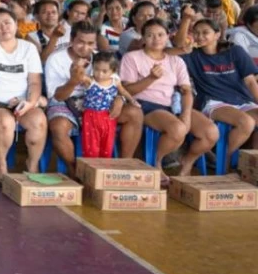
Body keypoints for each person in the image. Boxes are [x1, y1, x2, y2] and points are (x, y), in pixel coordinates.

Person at [45, 21, 144, 170]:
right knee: (58, 127)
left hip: (100, 104)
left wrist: (119, 99)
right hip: (66, 102)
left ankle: (123, 166)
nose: (85, 47)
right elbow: (57, 96)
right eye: (80, 42)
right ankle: (76, 172)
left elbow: (116, 84)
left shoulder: (102, 58)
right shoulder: (56, 59)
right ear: (71, 40)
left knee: (135, 113)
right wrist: (73, 81)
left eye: (90, 43)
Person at [119, 19, 210, 181]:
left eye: (161, 34)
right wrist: (150, 78)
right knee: (178, 129)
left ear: (167, 36)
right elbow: (127, 91)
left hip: (170, 105)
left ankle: (186, 162)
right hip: (143, 106)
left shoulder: (176, 60)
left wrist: (186, 115)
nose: (156, 39)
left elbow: (186, 91)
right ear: (143, 37)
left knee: (210, 133)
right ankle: (156, 162)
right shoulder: (132, 57)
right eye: (150, 35)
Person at [0, 8, 45, 182]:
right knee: (5, 122)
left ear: (16, 25)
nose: (3, 28)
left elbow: (35, 82)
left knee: (39, 121)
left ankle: (32, 164)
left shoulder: (28, 48)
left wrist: (30, 102)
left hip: (20, 101)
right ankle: (2, 166)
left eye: (7, 23)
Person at [182, 18, 257, 161]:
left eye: (205, 32)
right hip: (213, 102)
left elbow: (251, 82)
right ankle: (223, 161)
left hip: (242, 101)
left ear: (217, 34)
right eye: (196, 33)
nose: (200, 36)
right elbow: (172, 50)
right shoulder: (192, 56)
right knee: (246, 123)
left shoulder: (235, 51)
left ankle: (252, 164)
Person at [81, 53, 126, 158]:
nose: (100, 74)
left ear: (113, 71)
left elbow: (123, 91)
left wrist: (129, 100)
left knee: (107, 146)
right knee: (91, 146)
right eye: (96, 69)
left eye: (105, 71)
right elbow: (78, 76)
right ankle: (91, 170)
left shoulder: (115, 81)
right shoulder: (90, 81)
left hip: (108, 116)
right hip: (91, 115)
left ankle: (104, 171)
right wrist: (79, 67)